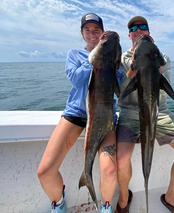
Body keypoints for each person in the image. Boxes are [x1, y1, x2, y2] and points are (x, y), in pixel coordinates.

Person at [37, 13, 122, 213]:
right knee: (45, 172)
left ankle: (106, 206)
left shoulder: (114, 57)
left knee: (109, 170)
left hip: (104, 114)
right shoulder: (74, 55)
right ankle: (58, 202)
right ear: (82, 33)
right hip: (76, 114)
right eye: (87, 30)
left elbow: (121, 85)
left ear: (102, 33)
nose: (92, 34)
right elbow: (75, 79)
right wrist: (95, 58)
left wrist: (117, 62)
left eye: (96, 30)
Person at [115, 16, 174, 213]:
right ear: (129, 35)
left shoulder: (163, 57)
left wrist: (155, 68)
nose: (138, 30)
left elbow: (165, 91)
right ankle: (123, 199)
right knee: (120, 159)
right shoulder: (121, 60)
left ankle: (171, 197)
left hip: (159, 111)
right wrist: (133, 71)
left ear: (148, 32)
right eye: (134, 28)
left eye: (142, 27)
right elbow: (119, 92)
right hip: (130, 113)